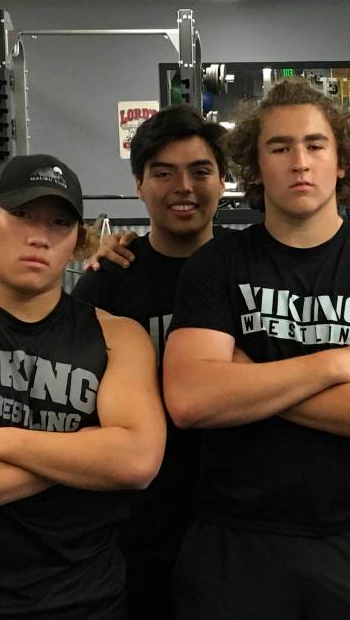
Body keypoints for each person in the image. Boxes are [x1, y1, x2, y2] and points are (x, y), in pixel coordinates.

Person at [162, 79, 350, 620]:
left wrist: (248, 381)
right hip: (236, 541)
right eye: (279, 147)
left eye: (315, 145)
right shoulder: (216, 265)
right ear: (256, 167)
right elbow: (191, 400)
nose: (299, 162)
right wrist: (337, 363)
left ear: (341, 161)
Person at [0, 153, 165, 619]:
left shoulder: (118, 337)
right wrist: (87, 457)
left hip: (87, 604)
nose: (40, 236)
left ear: (76, 241)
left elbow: (136, 462)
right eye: (21, 215)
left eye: (59, 223)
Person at [72, 107, 227, 619]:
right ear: (139, 185)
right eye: (163, 173)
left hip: (237, 520)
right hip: (139, 525)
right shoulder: (108, 279)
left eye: (200, 171)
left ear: (222, 181)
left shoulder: (252, 264)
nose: (184, 187)